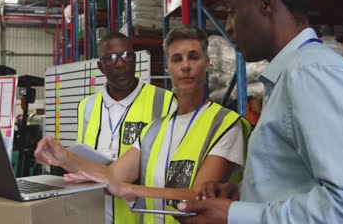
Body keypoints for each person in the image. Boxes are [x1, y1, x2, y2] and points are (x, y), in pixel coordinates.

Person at [177, 0, 343, 223]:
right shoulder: (291, 76)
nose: (228, 27)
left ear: (267, 1)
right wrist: (245, 197)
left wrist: (235, 215)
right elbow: (303, 183)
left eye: (232, 11)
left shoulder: (311, 74)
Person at [35, 25, 251, 224]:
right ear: (167, 67)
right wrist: (64, 157)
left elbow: (199, 198)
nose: (185, 66)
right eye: (177, 59)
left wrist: (128, 189)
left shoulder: (226, 125)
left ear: (208, 63)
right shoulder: (153, 131)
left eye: (193, 57)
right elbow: (112, 175)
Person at [76, 32, 175, 223]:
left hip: (141, 217)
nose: (120, 64)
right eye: (111, 58)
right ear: (100, 66)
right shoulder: (86, 107)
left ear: (135, 59)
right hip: (95, 215)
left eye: (127, 55)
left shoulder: (164, 101)